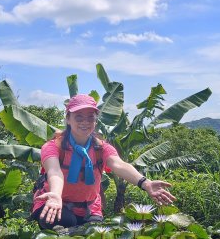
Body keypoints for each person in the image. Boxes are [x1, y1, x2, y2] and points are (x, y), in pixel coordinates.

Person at [31, 94, 176, 229]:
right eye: (79, 117)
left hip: (89, 209)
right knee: (68, 221)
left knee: (93, 235)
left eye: (90, 118)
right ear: (68, 119)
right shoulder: (53, 146)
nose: (85, 122)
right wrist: (56, 195)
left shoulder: (101, 148)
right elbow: (54, 171)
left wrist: (146, 183)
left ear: (96, 121)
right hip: (54, 203)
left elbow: (118, 164)